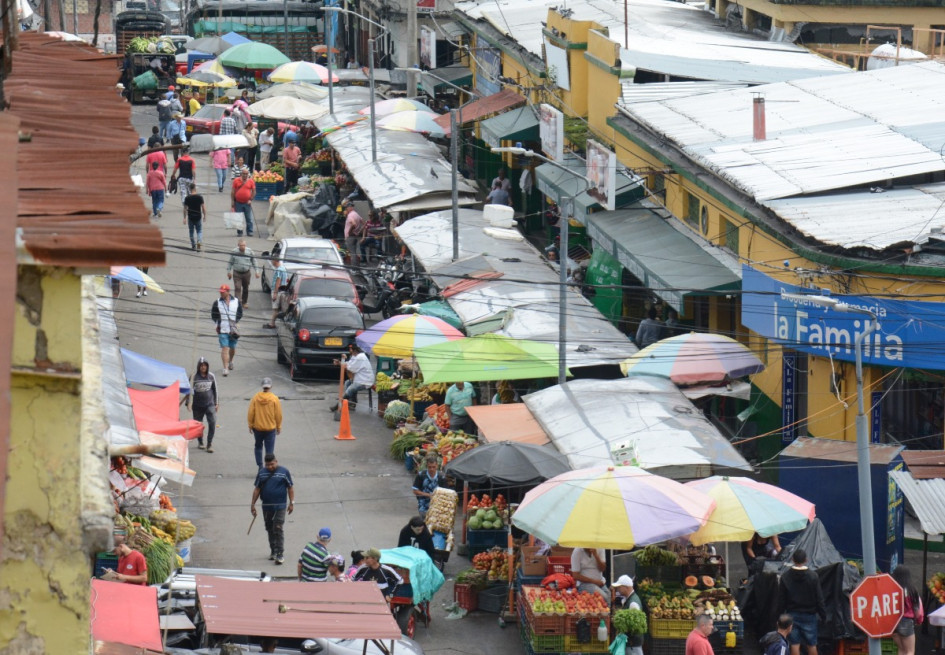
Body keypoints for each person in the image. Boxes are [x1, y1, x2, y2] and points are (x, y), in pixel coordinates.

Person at [777, 548, 825, 655]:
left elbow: (781, 599)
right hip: (810, 615)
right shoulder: (813, 576)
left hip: (792, 614)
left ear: (793, 560)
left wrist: (780, 615)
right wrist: (823, 615)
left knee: (794, 644)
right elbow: (819, 598)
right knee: (812, 644)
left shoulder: (785, 576)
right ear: (806, 560)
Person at [251, 453, 294, 565]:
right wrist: (253, 505)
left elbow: (290, 487)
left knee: (278, 527)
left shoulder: (284, 472)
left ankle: (280, 553)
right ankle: (273, 550)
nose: (270, 467)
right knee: (269, 528)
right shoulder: (261, 473)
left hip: (280, 506)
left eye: (272, 464)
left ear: (276, 461)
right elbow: (257, 489)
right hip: (267, 506)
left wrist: (291, 503)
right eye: (267, 465)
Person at [328, 343, 374, 412]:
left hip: (365, 381)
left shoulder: (360, 357)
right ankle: (352, 402)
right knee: (347, 383)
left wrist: (340, 363)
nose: (349, 350)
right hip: (358, 379)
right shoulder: (354, 356)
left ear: (355, 350)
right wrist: (340, 362)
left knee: (350, 389)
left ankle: (338, 405)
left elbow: (351, 368)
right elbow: (349, 364)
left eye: (350, 349)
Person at [248, 377, 283, 468]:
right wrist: (278, 426)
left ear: (262, 386)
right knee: (269, 451)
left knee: (258, 447)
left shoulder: (256, 397)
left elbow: (251, 412)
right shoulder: (274, 398)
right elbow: (278, 414)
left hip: (258, 428)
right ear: (271, 386)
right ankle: (269, 467)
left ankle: (260, 466)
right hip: (270, 428)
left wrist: (250, 425)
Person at [186, 357, 218, 451]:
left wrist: (216, 403)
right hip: (197, 405)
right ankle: (200, 442)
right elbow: (188, 391)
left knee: (212, 422)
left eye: (205, 365)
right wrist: (188, 403)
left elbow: (215, 390)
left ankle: (209, 444)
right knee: (198, 425)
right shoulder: (194, 377)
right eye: (201, 365)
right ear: (198, 366)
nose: (203, 367)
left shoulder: (211, 376)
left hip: (210, 404)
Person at [210, 283, 242, 376]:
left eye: (223, 292)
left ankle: (230, 361)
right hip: (222, 329)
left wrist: (235, 321)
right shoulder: (217, 302)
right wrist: (218, 323)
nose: (221, 293)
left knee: (232, 347)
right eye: (221, 292)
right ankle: (225, 368)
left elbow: (240, 313)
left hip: (233, 329)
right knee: (225, 348)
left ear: (228, 292)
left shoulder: (236, 301)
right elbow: (214, 315)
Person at [891, 565, 923, 655]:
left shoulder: (891, 589)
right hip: (906, 622)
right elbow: (917, 610)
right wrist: (918, 620)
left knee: (901, 650)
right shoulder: (911, 590)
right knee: (910, 651)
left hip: (893, 623)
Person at [615, 575, 644, 655]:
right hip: (631, 644)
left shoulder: (633, 603)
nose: (617, 589)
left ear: (626, 587)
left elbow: (636, 626)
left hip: (633, 645)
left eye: (619, 587)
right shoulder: (629, 599)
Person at [226, 239, 259, 307]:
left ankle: (244, 302)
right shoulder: (234, 252)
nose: (243, 247)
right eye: (241, 245)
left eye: (244, 245)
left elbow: (254, 261)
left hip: (246, 273)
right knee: (237, 288)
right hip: (237, 273)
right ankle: (238, 303)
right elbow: (230, 262)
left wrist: (257, 271)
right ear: (238, 245)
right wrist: (228, 272)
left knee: (245, 288)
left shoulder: (249, 252)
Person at [231, 167, 257, 237]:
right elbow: (233, 192)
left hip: (247, 203)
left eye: (246, 174)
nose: (245, 175)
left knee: (249, 218)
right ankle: (240, 232)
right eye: (243, 173)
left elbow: (254, 191)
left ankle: (250, 231)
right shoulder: (236, 180)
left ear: (248, 174)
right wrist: (232, 201)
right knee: (238, 218)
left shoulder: (251, 181)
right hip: (238, 202)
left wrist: (250, 199)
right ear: (241, 174)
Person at [263, 258, 288, 329]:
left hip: (277, 291)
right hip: (282, 291)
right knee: (280, 309)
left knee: (275, 309)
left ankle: (272, 324)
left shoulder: (278, 270)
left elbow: (278, 281)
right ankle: (273, 323)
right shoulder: (283, 268)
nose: (271, 262)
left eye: (272, 261)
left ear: (275, 261)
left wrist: (275, 293)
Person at [182, 183, 206, 251]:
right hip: (198, 216)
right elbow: (203, 208)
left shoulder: (187, 198)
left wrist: (184, 218)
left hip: (190, 217)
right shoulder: (200, 197)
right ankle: (199, 243)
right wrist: (204, 216)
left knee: (191, 231)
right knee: (199, 231)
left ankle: (193, 245)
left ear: (190, 189)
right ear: (195, 188)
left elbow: (185, 208)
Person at [342, 201, 365, 268]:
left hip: (350, 237)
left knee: (352, 253)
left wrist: (350, 232)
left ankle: (354, 267)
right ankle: (356, 266)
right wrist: (359, 231)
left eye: (346, 208)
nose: (346, 209)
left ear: (350, 207)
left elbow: (354, 224)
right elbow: (364, 223)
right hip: (355, 236)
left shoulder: (350, 215)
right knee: (354, 251)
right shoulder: (356, 214)